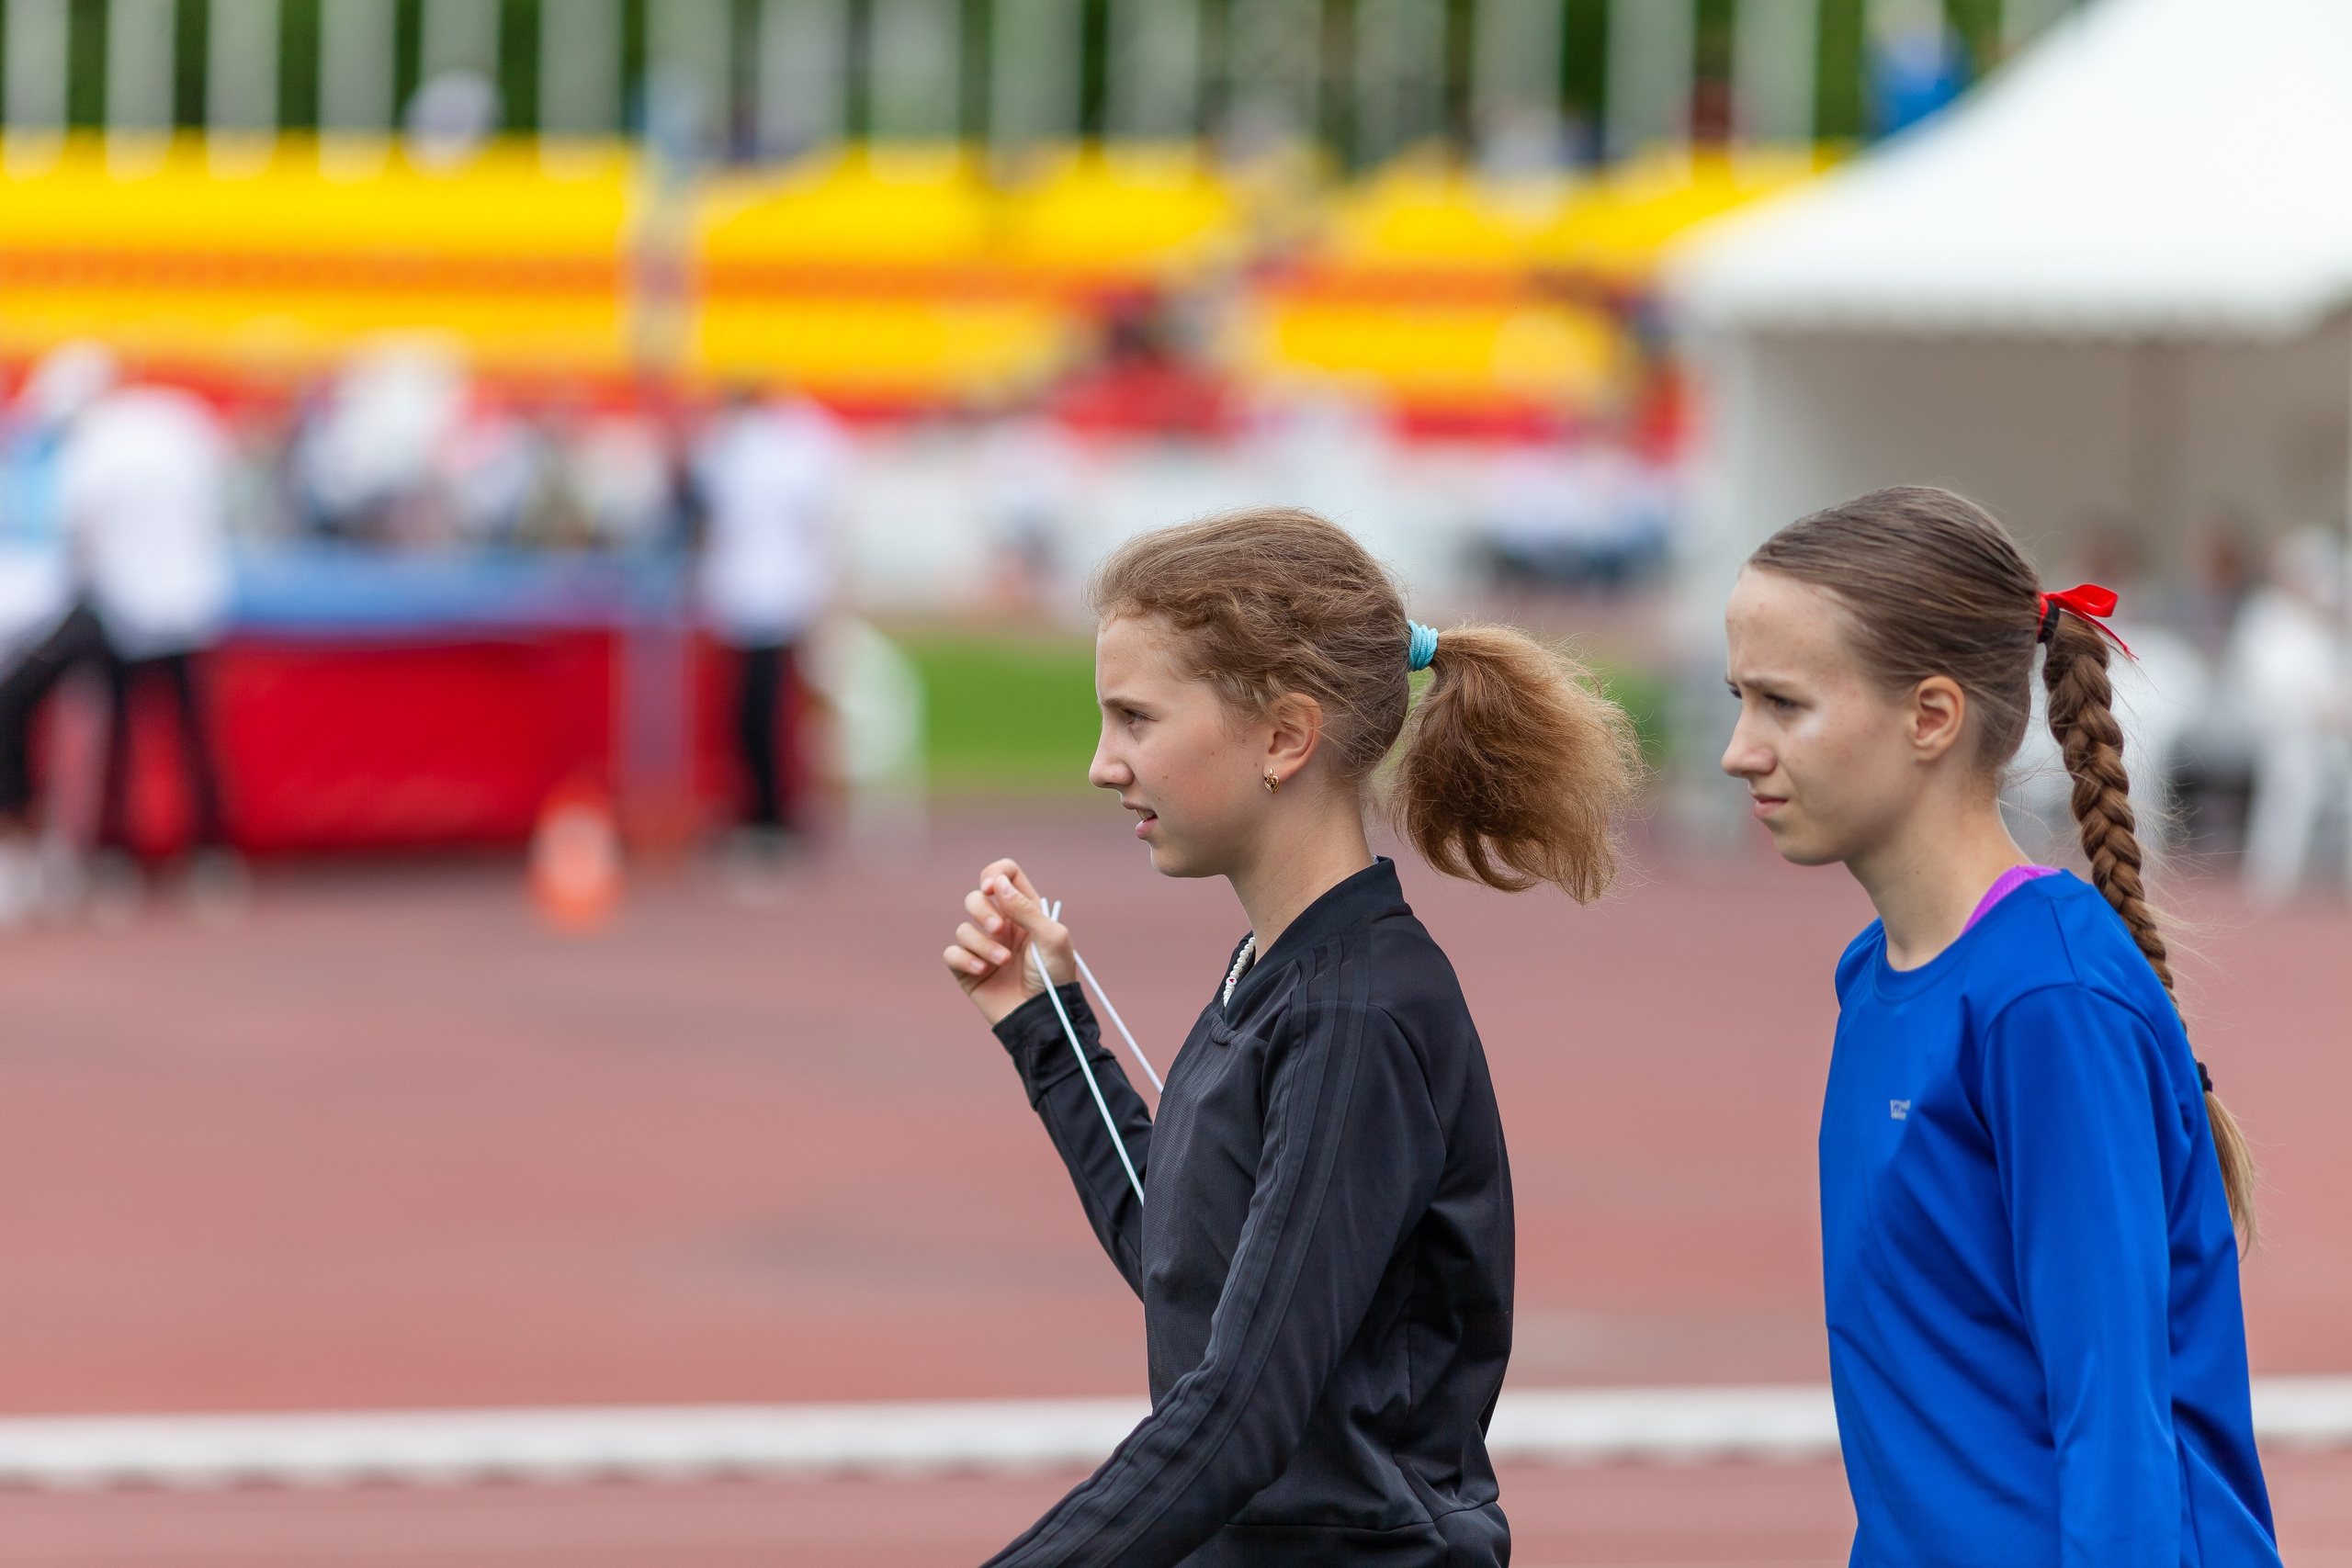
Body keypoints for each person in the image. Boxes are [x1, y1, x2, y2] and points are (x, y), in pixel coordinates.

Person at [940, 508, 1641, 1567]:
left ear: (1282, 736)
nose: (1100, 763)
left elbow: (1242, 1411)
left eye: (1135, 719)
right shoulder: (1277, 975)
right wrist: (1045, 1025)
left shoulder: (1358, 1015)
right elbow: (1194, 1266)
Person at [1720, 487, 2276, 1566]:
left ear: (1931, 717)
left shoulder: (2045, 1004)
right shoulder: (1872, 975)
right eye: (1738, 698)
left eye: (1783, 705)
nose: (1742, 749)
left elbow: (2113, 1424)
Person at [57, 378, 239, 896]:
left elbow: (81, 534)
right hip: (186, 605)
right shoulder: (177, 427)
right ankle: (212, 855)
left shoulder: (94, 448)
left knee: (122, 740)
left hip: (126, 609)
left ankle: (118, 859)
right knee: (194, 737)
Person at [691, 390, 846, 854]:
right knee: (763, 716)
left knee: (758, 717)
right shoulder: (786, 445)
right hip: (770, 599)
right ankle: (769, 813)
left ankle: (771, 816)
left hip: (763, 600)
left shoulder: (744, 449)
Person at [2227, 528, 2350, 905]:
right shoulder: (2264, 616)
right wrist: (2313, 712)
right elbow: (2261, 684)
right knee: (2296, 780)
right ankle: (2274, 880)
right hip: (2284, 733)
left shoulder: (2326, 623)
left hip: (2335, 733)